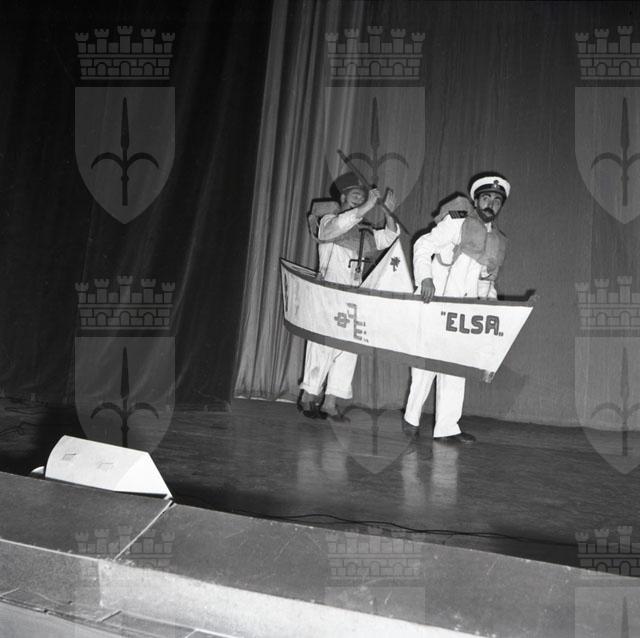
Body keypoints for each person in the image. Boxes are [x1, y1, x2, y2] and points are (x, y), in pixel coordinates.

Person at [403, 174, 510, 444]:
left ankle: (447, 428)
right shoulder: (458, 222)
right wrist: (425, 279)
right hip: (436, 304)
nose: (491, 204)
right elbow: (423, 245)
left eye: (497, 201)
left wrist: (489, 307)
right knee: (425, 365)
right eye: (486, 198)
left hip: (464, 313)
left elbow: (487, 281)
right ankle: (411, 419)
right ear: (476, 200)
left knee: (456, 367)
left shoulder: (496, 240)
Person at [299, 172, 400, 420]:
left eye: (362, 197)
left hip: (353, 297)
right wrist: (366, 207)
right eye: (355, 195)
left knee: (347, 349)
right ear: (343, 197)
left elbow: (388, 237)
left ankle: (330, 402)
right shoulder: (328, 221)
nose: (359, 199)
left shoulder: (362, 232)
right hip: (328, 293)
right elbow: (337, 227)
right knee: (321, 345)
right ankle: (308, 396)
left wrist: (388, 213)